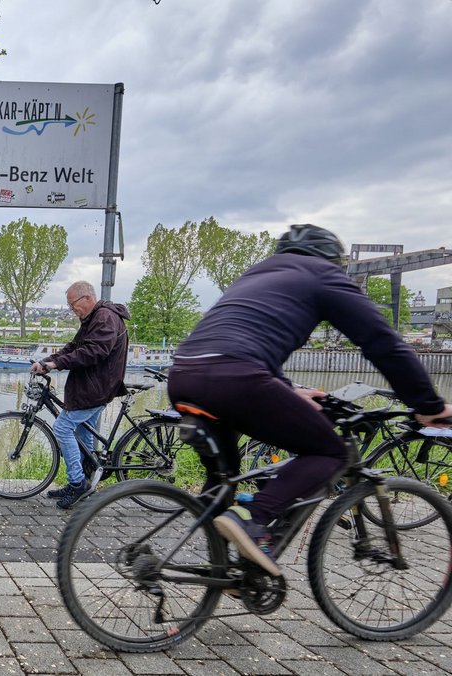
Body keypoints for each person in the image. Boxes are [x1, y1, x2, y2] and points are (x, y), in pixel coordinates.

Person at [168, 224, 452, 577]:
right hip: (236, 379)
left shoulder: (256, 274)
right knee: (329, 451)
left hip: (184, 374)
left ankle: (221, 569)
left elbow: (246, 338)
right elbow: (383, 343)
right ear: (333, 260)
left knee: (223, 479)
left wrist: (288, 389)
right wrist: (428, 405)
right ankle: (254, 520)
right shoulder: (323, 275)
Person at [30, 280, 130, 509]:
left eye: (72, 303)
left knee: (62, 428)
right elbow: (74, 347)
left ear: (87, 298)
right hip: (92, 387)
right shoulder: (93, 318)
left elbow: (93, 352)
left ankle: (78, 484)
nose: (71, 309)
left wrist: (56, 364)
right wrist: (47, 361)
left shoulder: (104, 318)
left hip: (96, 389)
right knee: (84, 437)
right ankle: (84, 479)